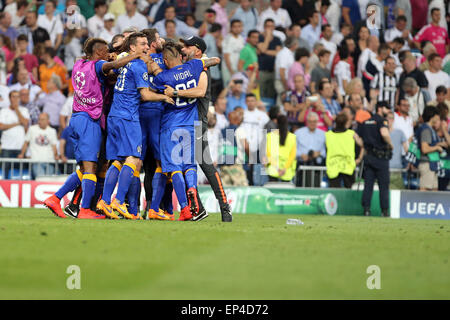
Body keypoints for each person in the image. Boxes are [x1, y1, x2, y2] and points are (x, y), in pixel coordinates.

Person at [97, 33, 173, 220]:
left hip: (114, 115)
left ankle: (105, 201)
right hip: (128, 118)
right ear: (132, 48)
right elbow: (145, 95)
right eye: (142, 44)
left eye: (147, 43)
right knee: (134, 159)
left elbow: (113, 73)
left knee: (117, 160)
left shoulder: (126, 63)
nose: (147, 46)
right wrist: (164, 97)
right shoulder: (138, 65)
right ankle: (118, 200)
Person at [150, 41, 208, 221]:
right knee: (190, 165)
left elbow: (149, 93)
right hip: (191, 125)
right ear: (180, 57)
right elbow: (211, 60)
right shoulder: (194, 66)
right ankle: (192, 190)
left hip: (170, 126)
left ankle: (184, 208)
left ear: (166, 60)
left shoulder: (163, 78)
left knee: (174, 168)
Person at [358, 101, 393, 217]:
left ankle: (366, 210)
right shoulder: (381, 121)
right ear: (380, 108)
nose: (388, 111)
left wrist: (364, 146)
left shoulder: (366, 122)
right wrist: (390, 144)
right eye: (386, 108)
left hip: (369, 157)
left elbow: (356, 136)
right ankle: (384, 211)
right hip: (381, 158)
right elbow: (384, 133)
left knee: (368, 185)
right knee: (384, 185)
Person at [325, 112, 364, 188]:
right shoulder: (352, 134)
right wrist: (359, 159)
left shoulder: (328, 134)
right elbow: (363, 145)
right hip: (348, 165)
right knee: (349, 192)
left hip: (333, 166)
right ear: (346, 122)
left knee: (334, 192)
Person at [18, 112, 58, 179]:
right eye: (39, 119)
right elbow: (26, 142)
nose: (40, 121)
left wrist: (56, 155)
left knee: (49, 181)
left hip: (49, 161)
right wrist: (22, 154)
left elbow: (54, 146)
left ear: (48, 121)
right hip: (36, 161)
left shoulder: (52, 131)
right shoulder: (32, 129)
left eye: (42, 119)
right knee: (41, 179)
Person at [0, 90, 29, 179]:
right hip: (6, 146)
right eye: (13, 96)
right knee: (5, 171)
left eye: (17, 96)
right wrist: (17, 123)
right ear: (9, 98)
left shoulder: (24, 110)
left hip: (20, 147)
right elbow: (1, 126)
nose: (15, 99)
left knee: (21, 172)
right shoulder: (4, 111)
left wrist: (16, 109)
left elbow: (25, 123)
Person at [416, 106, 447, 191]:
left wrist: (439, 144)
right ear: (432, 116)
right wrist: (437, 147)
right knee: (424, 190)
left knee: (434, 191)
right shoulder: (426, 130)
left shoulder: (431, 129)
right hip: (427, 164)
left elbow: (430, 144)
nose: (438, 117)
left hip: (432, 164)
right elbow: (424, 149)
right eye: (437, 115)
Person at [219, 110, 249, 186]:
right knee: (241, 191)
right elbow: (246, 146)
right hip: (236, 166)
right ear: (238, 119)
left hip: (224, 166)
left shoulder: (222, 131)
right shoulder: (239, 130)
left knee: (226, 191)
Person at [266, 115, 297, 182]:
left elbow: (268, 155)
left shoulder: (269, 136)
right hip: (287, 171)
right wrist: (285, 168)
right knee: (286, 192)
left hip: (273, 169)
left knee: (273, 191)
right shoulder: (293, 137)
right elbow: (292, 156)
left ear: (276, 122)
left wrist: (277, 168)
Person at [257, 18, 282, 102]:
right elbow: (263, 48)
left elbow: (278, 53)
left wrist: (264, 51)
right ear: (264, 27)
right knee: (261, 93)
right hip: (262, 70)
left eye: (271, 26)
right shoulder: (260, 37)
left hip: (273, 70)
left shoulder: (277, 39)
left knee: (271, 93)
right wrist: (267, 37)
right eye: (268, 26)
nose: (270, 28)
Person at [387, 111, 408, 189]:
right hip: (384, 168)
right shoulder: (380, 133)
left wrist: (408, 163)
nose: (390, 120)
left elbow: (406, 149)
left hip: (396, 168)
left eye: (391, 118)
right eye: (388, 118)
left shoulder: (399, 132)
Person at [220, 19, 245, 87]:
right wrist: (231, 72)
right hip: (228, 69)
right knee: (228, 88)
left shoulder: (241, 38)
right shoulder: (228, 39)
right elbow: (226, 56)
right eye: (235, 27)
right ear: (231, 28)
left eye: (239, 26)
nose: (237, 29)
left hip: (238, 69)